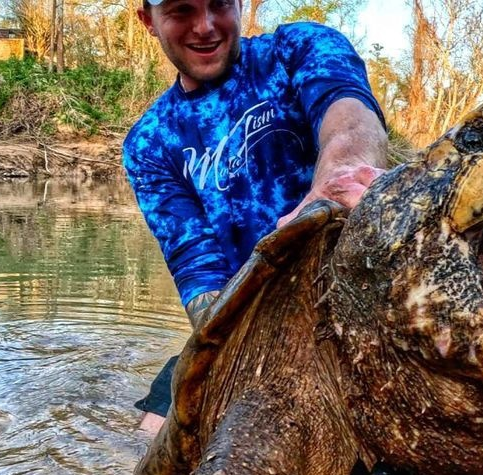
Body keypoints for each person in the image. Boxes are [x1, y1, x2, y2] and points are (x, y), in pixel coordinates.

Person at [123, 0, 388, 433]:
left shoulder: (297, 49)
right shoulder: (149, 143)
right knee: (153, 431)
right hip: (251, 324)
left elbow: (347, 109)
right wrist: (250, 354)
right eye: (182, 10)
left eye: (219, 4)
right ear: (148, 21)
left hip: (360, 310)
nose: (205, 26)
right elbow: (198, 270)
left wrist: (343, 173)